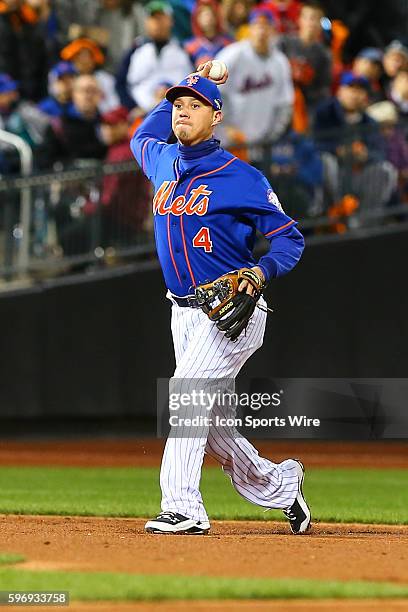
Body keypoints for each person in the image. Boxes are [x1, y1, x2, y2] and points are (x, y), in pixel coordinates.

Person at [130, 61, 310, 536]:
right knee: (215, 429)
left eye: (196, 106)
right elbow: (138, 136)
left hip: (233, 309)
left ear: (217, 117)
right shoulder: (163, 161)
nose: (183, 113)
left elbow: (290, 240)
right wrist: (191, 77)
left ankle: (183, 505)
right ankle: (282, 486)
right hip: (183, 312)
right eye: (178, 107)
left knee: (186, 395)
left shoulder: (242, 177)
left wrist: (261, 269)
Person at [215, 8, 293, 147]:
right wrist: (225, 127)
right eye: (257, 25)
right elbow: (212, 91)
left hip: (262, 145)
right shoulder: (232, 55)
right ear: (250, 29)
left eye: (266, 26)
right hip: (228, 142)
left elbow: (284, 104)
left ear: (273, 31)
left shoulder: (280, 62)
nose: (261, 31)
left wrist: (272, 136)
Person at [116, 1, 192, 113]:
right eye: (153, 19)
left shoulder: (183, 50)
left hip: (177, 113)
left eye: (161, 18)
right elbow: (120, 83)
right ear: (146, 22)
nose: (157, 23)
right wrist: (131, 108)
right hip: (141, 115)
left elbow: (193, 83)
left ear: (171, 21)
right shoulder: (136, 49)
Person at [279, 1, 332, 118]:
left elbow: (323, 88)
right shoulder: (283, 43)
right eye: (308, 18)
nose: (311, 23)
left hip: (307, 107)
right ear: (299, 20)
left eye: (316, 19)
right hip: (280, 99)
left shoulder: (324, 54)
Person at [60, 37, 120, 113]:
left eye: (86, 57)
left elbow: (114, 105)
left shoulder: (105, 79)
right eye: (77, 57)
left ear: (94, 59)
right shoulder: (64, 76)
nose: (82, 61)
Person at [184, 0, 234, 67]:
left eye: (210, 14)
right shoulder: (190, 46)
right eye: (203, 16)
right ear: (197, 19)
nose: (207, 18)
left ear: (216, 17)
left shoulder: (228, 43)